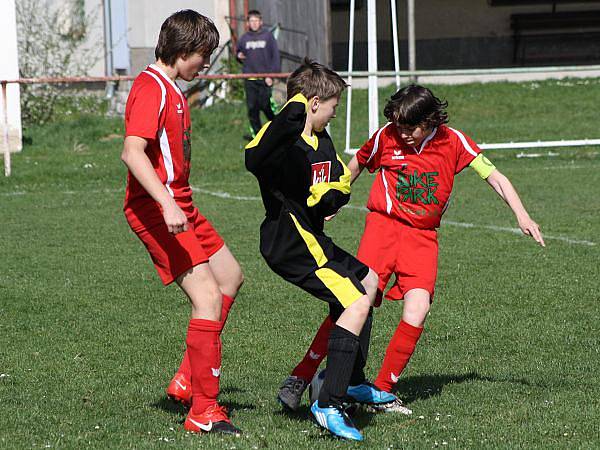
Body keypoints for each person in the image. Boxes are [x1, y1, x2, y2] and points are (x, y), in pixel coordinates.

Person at [277, 84, 545, 413]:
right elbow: (356, 165)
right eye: (398, 127)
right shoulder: (386, 136)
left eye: (409, 128)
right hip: (383, 230)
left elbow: (495, 176)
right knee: (354, 300)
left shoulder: (453, 141)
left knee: (418, 308)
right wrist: (335, 199)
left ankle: (381, 390)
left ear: (430, 121)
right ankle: (301, 375)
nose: (402, 134)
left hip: (423, 238)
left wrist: (522, 215)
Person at [244, 59, 398, 441]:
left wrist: (334, 197)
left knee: (370, 282)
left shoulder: (323, 140)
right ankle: (328, 403)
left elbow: (331, 190)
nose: (335, 113)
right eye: (332, 106)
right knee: (356, 301)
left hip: (313, 238)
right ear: (313, 103)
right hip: (290, 241)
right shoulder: (283, 137)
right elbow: (254, 157)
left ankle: (355, 380)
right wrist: (293, 107)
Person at [120, 10, 244, 436]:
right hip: (159, 211)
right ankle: (203, 411)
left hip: (183, 205)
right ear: (181, 49)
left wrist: (179, 204)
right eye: (202, 56)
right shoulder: (149, 88)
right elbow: (132, 152)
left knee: (229, 276)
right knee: (207, 297)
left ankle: (187, 378)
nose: (205, 65)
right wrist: (167, 205)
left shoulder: (172, 88)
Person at [236, 9, 281, 138]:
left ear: (261, 22)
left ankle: (278, 130)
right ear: (248, 23)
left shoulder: (268, 37)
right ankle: (258, 136)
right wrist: (239, 55)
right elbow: (238, 53)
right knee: (252, 108)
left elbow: (275, 56)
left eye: (256, 21)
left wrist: (271, 75)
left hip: (265, 78)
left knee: (266, 105)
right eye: (252, 21)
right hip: (249, 78)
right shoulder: (244, 38)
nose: (254, 23)